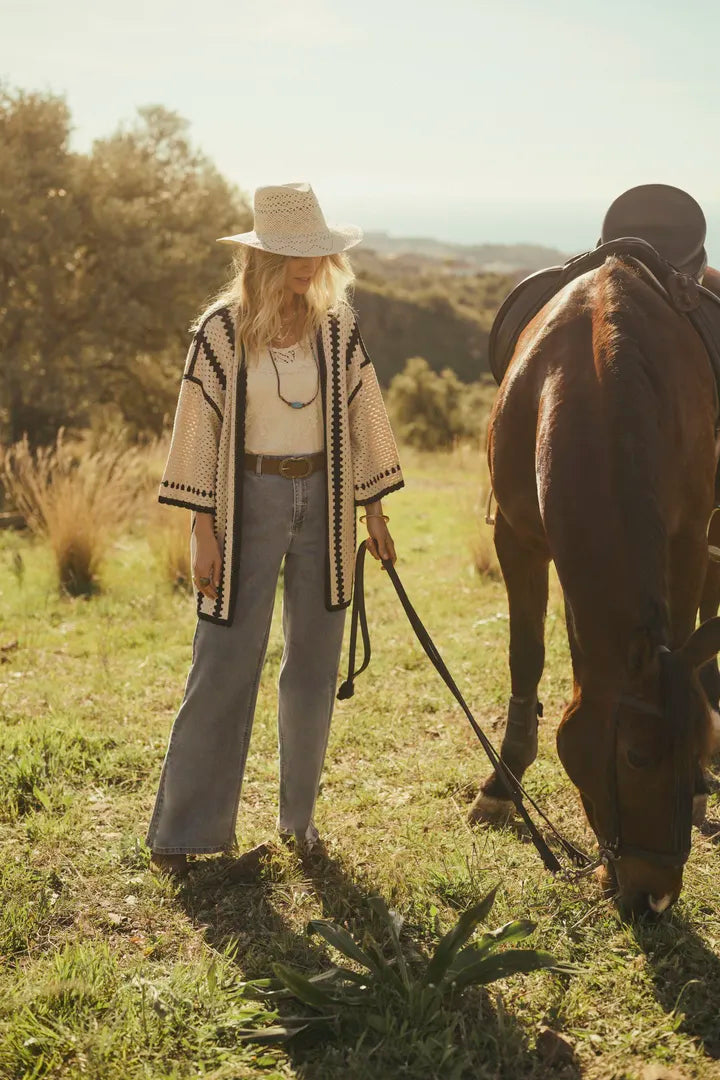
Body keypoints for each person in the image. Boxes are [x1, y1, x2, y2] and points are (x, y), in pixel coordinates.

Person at [146, 182, 404, 877]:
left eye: (316, 251)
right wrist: (202, 530)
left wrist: (375, 513)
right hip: (246, 500)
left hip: (327, 500)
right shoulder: (220, 330)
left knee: (315, 667)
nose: (308, 264)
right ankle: (181, 835)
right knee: (224, 660)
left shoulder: (337, 327)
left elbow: (364, 414)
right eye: (294, 252)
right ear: (262, 256)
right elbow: (198, 430)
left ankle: (299, 824)